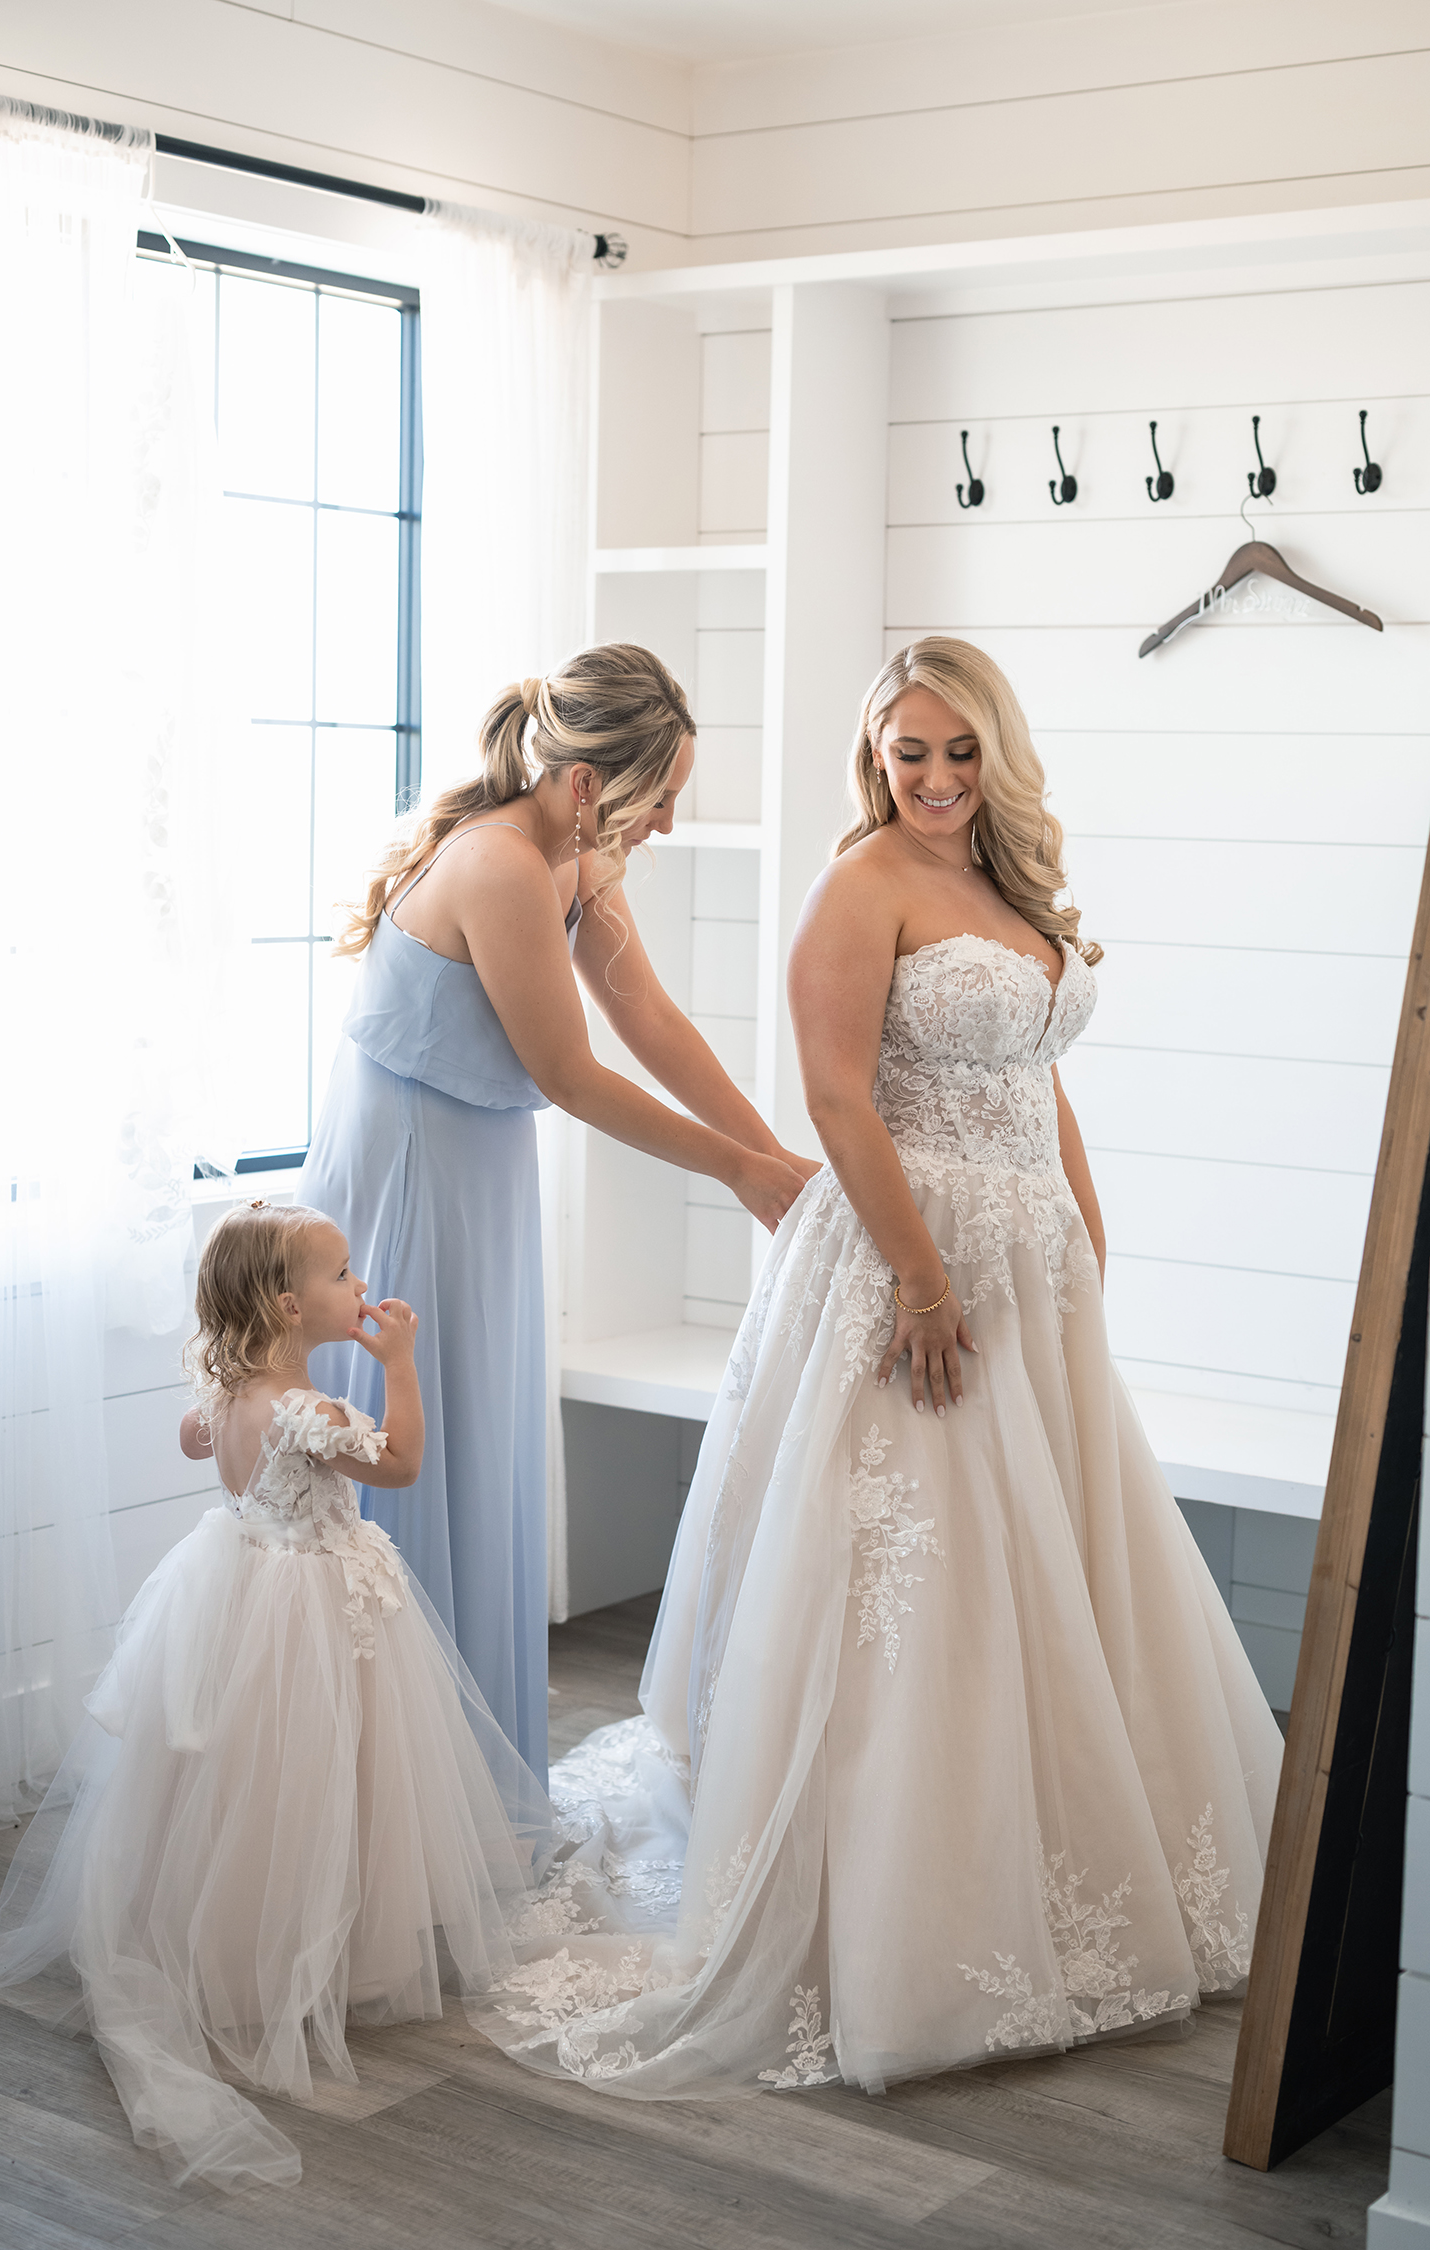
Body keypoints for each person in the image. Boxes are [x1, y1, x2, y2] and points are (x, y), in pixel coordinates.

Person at [467, 636, 1284, 2097]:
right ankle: (904, 1899)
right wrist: (917, 1269)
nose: (936, 779)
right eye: (909, 752)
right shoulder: (858, 888)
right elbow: (839, 1097)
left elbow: (1037, 1071)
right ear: (875, 757)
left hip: (1033, 1267)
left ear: (997, 754)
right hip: (911, 1254)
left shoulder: (1013, 887)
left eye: (959, 751)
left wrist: (1086, 1232)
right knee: (924, 1563)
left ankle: (1066, 1849)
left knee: (1057, 1556)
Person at [299, 643, 810, 1781]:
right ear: (588, 782)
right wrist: (738, 1174)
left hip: (483, 1164)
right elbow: (573, 1075)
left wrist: (774, 1155)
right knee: (424, 1438)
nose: (668, 825)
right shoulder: (499, 865)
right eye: (660, 799)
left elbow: (654, 1026)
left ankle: (472, 1785)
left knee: (482, 1435)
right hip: (414, 1169)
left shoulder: (579, 855)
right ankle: (392, 1790)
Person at [0, 1200, 552, 2190]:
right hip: (317, 1609)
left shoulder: (231, 1392)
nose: (361, 1289)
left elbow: (198, 1441)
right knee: (332, 1769)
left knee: (252, 1777)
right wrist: (400, 1363)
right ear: (292, 1306)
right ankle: (323, 1944)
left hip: (246, 1589)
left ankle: (235, 1929)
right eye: (342, 1277)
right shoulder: (311, 1413)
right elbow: (403, 1463)